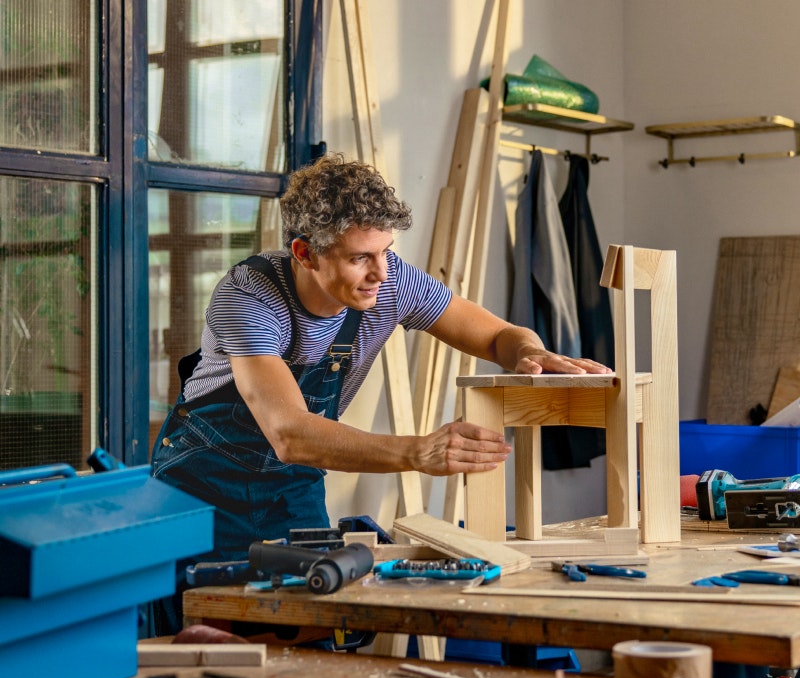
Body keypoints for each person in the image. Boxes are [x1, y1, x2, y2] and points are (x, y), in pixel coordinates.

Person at [150, 153, 610, 633]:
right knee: (196, 642)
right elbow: (289, 433)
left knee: (308, 629)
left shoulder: (389, 285)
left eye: (386, 251)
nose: (382, 273)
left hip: (290, 490)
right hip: (201, 493)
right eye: (359, 258)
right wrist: (418, 451)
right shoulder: (248, 296)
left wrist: (530, 353)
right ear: (305, 253)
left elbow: (498, 336)